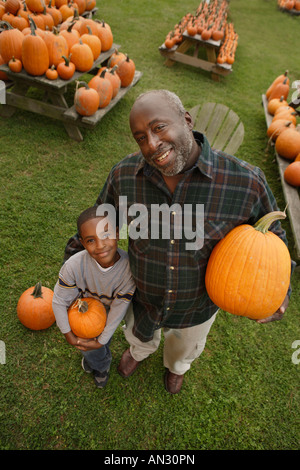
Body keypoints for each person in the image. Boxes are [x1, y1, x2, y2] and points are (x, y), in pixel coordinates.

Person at [64, 90, 295, 394]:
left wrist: (281, 291)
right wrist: (73, 270)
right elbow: (100, 226)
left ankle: (177, 367)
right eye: (140, 137)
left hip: (196, 307)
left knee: (185, 346)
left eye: (159, 128)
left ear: (186, 120)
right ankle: (137, 352)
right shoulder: (124, 176)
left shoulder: (246, 182)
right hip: (143, 296)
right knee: (138, 334)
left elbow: (274, 234)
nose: (152, 144)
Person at [53, 206, 136, 388]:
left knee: (101, 342)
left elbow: (119, 308)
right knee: (88, 346)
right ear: (83, 243)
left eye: (106, 235)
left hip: (110, 308)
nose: (100, 245)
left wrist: (102, 340)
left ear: (117, 234)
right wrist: (68, 334)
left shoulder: (128, 270)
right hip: (81, 308)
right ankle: (100, 364)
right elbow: (59, 300)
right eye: (91, 240)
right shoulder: (73, 266)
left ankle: (100, 361)